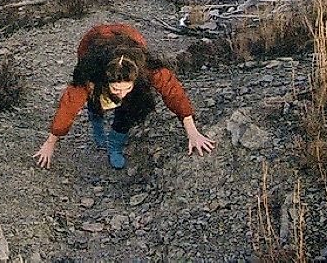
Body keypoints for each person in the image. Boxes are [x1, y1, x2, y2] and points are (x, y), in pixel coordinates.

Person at [33, 23, 215, 170]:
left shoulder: (147, 67)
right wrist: (50, 143)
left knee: (134, 106)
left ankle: (115, 144)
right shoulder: (91, 70)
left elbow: (173, 92)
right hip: (94, 42)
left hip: (129, 38)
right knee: (94, 96)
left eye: (126, 88)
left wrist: (192, 131)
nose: (121, 94)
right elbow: (69, 106)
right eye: (116, 89)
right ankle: (95, 117)